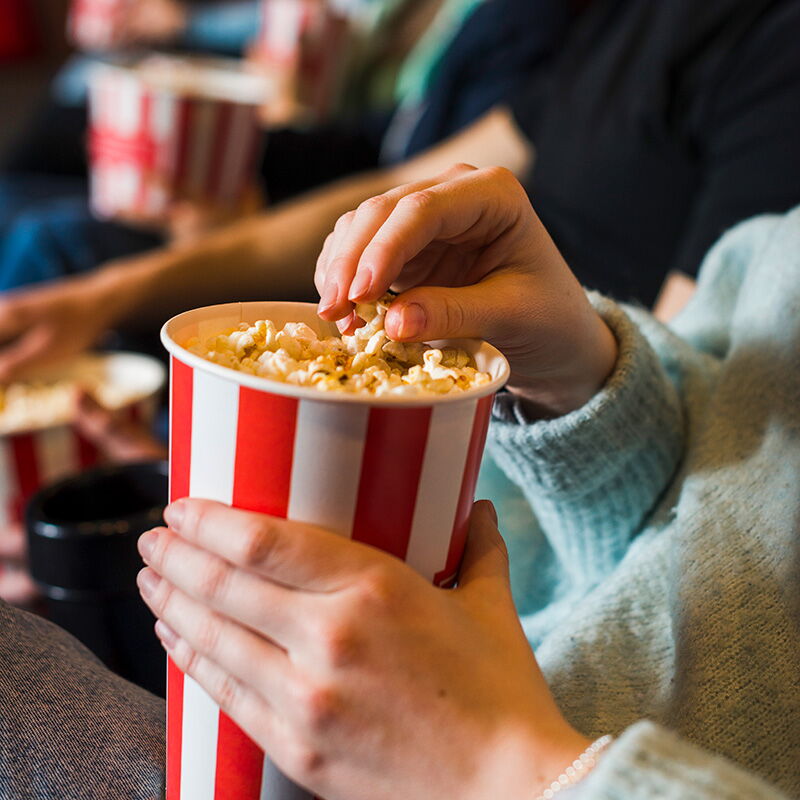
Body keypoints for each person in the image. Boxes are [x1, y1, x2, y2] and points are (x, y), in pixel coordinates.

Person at [2, 165, 799, 798]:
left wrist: (502, 768)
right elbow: (715, 504)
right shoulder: (775, 249)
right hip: (396, 675)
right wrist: (585, 387)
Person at [1, 0, 798, 382]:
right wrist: (105, 298)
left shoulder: (772, 51)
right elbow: (398, 183)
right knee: (60, 255)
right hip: (362, 331)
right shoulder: (624, 28)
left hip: (489, 420)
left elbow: (690, 389)